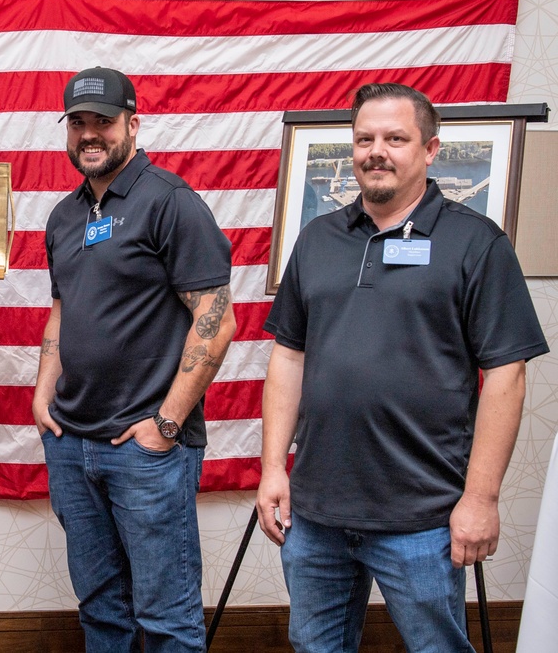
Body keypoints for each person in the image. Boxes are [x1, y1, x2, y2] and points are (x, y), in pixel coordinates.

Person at [256, 82, 549, 652]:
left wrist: (482, 499)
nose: (376, 151)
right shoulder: (317, 240)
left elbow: (507, 377)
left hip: (423, 517)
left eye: (395, 138)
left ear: (430, 149)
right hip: (317, 511)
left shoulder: (476, 243)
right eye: (364, 138)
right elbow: (288, 356)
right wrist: (273, 468)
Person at [32, 66, 237, 652]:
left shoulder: (170, 202)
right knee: (100, 608)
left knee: (165, 614)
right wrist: (43, 394)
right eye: (78, 123)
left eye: (104, 122)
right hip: (72, 443)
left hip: (146, 450)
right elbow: (62, 308)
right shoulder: (65, 216)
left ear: (133, 124)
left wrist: (167, 422)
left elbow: (218, 319)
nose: (90, 134)